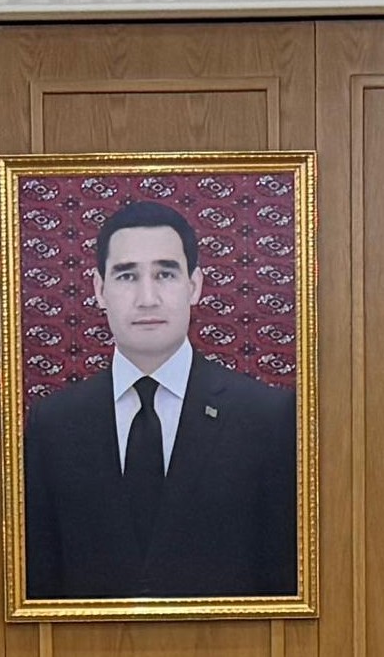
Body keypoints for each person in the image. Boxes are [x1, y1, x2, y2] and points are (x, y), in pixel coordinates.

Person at [16, 197, 301, 602]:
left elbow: (285, 582)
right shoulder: (53, 424)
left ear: (194, 285)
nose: (147, 297)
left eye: (165, 274)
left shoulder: (267, 418)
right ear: (99, 289)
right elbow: (39, 582)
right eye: (127, 276)